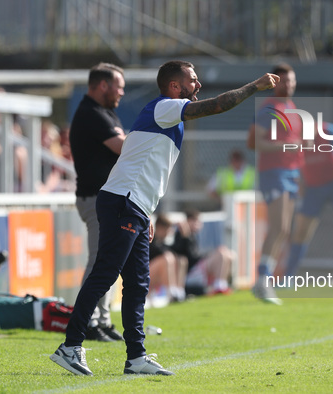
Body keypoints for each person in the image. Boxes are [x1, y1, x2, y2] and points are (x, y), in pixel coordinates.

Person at [50, 60, 279, 376]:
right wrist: (255, 86)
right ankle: (70, 346)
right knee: (106, 273)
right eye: (192, 80)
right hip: (123, 202)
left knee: (137, 284)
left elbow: (147, 167)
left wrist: (150, 212)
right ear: (174, 86)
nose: (197, 85)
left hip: (138, 206)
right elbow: (219, 105)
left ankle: (136, 358)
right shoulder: (166, 106)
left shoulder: (166, 113)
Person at [68, 63, 126, 342]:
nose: (122, 92)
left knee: (109, 262)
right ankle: (88, 322)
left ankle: (101, 320)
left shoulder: (104, 112)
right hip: (94, 197)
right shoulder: (91, 113)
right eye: (119, 86)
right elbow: (122, 147)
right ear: (103, 85)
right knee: (99, 262)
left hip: (104, 197)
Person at [284, 122, 333, 281]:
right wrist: (298, 182)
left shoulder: (327, 130)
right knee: (300, 232)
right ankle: (289, 276)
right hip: (313, 188)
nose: (307, 144)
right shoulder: (294, 140)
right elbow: (292, 163)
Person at [251, 63, 303, 305]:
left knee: (284, 229)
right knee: (278, 226)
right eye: (284, 81)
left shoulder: (290, 107)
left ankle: (265, 279)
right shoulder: (269, 108)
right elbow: (255, 142)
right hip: (275, 172)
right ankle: (262, 280)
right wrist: (285, 147)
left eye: (291, 80)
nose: (288, 85)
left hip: (291, 174)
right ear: (275, 83)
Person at [170, 208, 234, 296]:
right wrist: (185, 236)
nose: (198, 224)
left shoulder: (192, 236)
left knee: (228, 254)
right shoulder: (181, 235)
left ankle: (222, 283)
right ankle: (218, 286)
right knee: (221, 253)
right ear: (188, 221)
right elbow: (189, 257)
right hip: (190, 274)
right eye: (196, 221)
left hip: (197, 270)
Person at [148, 214, 187, 306]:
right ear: (160, 228)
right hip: (144, 276)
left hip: (153, 276)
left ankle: (179, 292)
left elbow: (182, 252)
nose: (170, 232)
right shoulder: (150, 240)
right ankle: (171, 293)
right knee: (167, 258)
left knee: (182, 260)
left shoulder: (162, 243)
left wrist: (184, 234)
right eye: (168, 229)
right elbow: (161, 252)